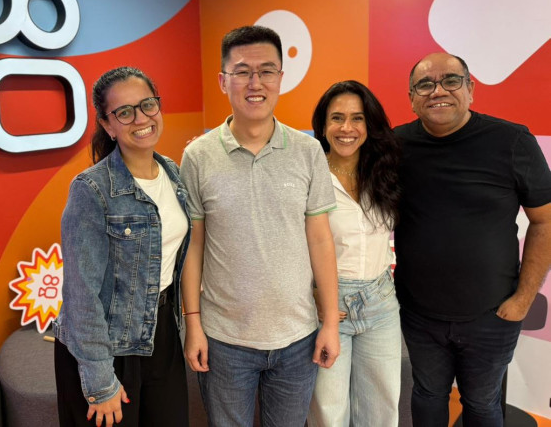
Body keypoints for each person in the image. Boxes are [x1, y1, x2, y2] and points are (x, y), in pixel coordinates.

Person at [179, 25, 340, 427]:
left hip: (297, 337)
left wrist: (330, 323)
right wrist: (193, 323)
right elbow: (193, 246)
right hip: (223, 339)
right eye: (242, 71)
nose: (256, 83)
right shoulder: (197, 156)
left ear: (280, 78)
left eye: (267, 71)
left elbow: (320, 240)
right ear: (223, 81)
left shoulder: (307, 151)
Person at [394, 52, 551, 426]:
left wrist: (523, 299)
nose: (438, 91)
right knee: (427, 395)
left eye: (451, 80)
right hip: (419, 314)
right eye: (425, 84)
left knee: (481, 404)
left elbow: (545, 222)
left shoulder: (512, 141)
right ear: (412, 98)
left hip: (492, 315)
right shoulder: (394, 145)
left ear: (470, 89)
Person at [53, 67, 191, 427]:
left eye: (147, 105)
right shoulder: (91, 189)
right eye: (125, 112)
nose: (141, 119)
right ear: (108, 125)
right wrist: (100, 380)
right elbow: (81, 294)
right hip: (106, 345)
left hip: (161, 333)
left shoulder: (173, 173)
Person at [307, 80, 402, 427]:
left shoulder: (384, 171)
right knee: (328, 412)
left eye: (357, 118)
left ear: (369, 124)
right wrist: (313, 294)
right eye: (337, 118)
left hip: (381, 302)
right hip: (328, 304)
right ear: (323, 126)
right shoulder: (309, 174)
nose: (347, 128)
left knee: (382, 409)